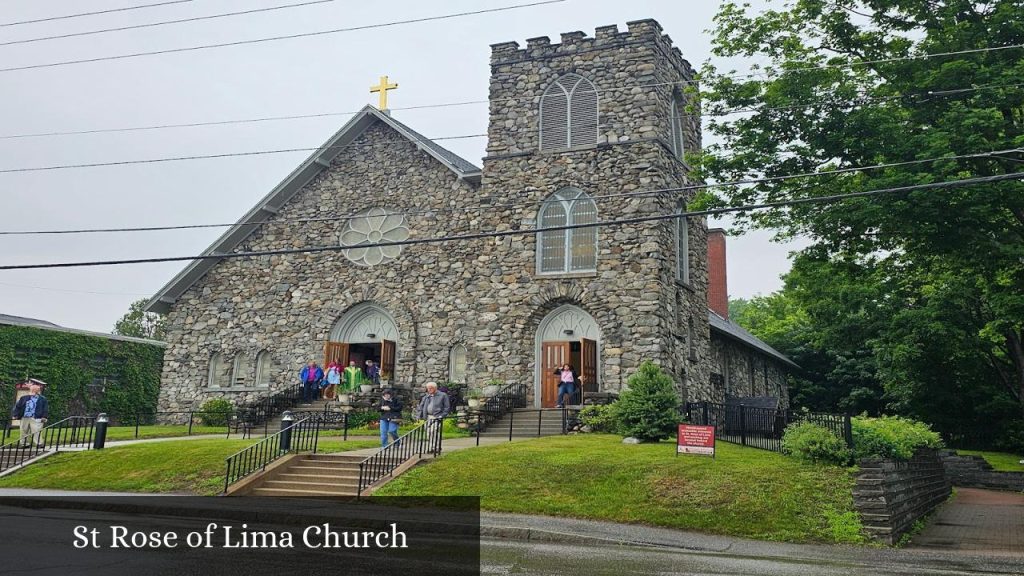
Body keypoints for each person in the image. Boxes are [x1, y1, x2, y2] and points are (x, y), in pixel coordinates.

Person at [11, 383, 48, 448]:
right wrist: (15, 414)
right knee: (23, 431)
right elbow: (17, 406)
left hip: (36, 417)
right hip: (25, 417)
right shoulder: (24, 398)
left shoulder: (42, 399)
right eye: (32, 390)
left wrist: (44, 417)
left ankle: (39, 443)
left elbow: (45, 408)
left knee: (37, 431)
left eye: (34, 390)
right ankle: (24, 444)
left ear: (37, 391)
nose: (32, 391)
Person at [416, 382, 450, 451]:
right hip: (427, 417)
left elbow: (447, 407)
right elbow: (421, 407)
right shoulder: (426, 397)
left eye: (430, 388)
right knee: (429, 433)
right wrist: (419, 417)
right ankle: (432, 447)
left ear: (435, 388)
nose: (429, 390)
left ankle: (436, 447)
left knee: (433, 431)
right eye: (428, 388)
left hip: (437, 417)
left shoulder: (443, 395)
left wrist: (442, 415)